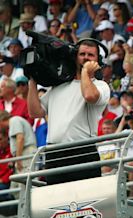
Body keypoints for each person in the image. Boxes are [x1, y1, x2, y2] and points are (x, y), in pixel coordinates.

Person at [27, 39, 110, 185]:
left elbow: (90, 96)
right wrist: (32, 81)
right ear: (75, 56)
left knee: (86, 203)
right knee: (57, 204)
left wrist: (85, 72)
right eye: (82, 54)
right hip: (54, 153)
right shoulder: (58, 86)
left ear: (98, 60)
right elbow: (35, 112)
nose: (85, 57)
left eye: (90, 55)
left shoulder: (101, 85)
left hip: (83, 151)